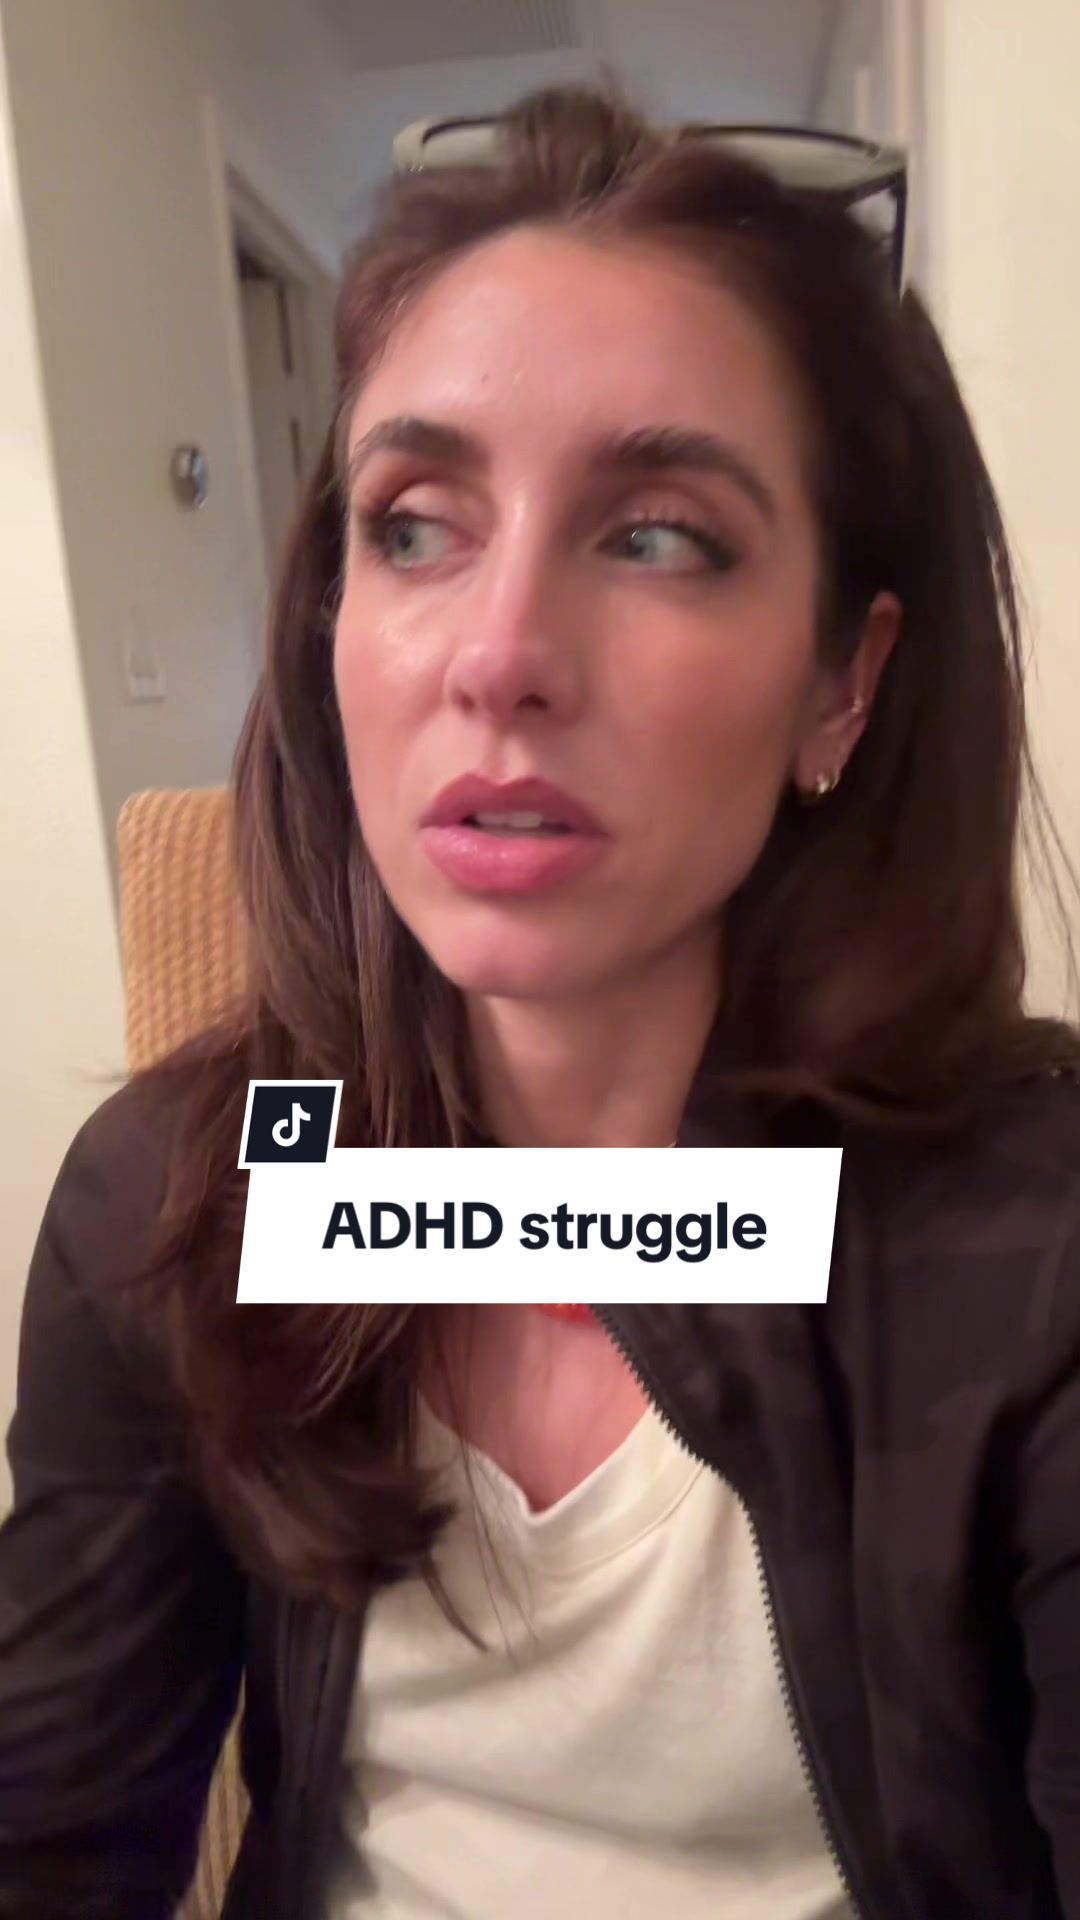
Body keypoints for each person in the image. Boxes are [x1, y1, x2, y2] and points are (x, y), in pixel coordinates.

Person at [2, 83, 1079, 1920]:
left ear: (841, 679)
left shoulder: (1031, 1231)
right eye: (416, 525)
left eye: (657, 536)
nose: (499, 656)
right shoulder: (188, 1191)